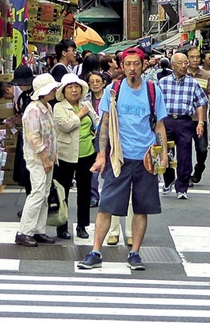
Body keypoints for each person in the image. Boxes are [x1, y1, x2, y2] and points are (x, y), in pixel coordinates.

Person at [79, 48, 168, 271]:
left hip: (145, 157)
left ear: (143, 65)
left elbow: (159, 125)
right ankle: (95, 251)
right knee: (106, 205)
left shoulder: (153, 91)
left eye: (136, 64)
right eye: (127, 64)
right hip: (117, 156)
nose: (132, 68)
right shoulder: (113, 90)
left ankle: (135, 252)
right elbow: (104, 125)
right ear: (122, 66)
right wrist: (101, 155)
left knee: (141, 208)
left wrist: (164, 153)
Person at [15, 74, 60, 247]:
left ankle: (38, 230)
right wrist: (45, 158)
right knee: (38, 193)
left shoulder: (45, 106)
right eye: (52, 88)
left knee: (44, 193)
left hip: (47, 157)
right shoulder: (33, 110)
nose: (55, 90)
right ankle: (24, 231)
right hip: (38, 158)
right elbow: (34, 138)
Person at [159, 51, 208, 198]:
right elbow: (156, 104)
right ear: (172, 65)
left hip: (185, 121)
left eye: (185, 62)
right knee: (165, 152)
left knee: (185, 156)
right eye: (180, 63)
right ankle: (168, 181)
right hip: (166, 120)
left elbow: (200, 103)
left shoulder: (193, 83)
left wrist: (200, 122)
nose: (184, 65)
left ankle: (182, 188)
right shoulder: (162, 82)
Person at [53, 73, 96, 239]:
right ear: (63, 91)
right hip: (65, 155)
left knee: (84, 192)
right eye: (70, 87)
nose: (73, 90)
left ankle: (82, 226)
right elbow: (65, 125)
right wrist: (80, 115)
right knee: (62, 191)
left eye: (76, 87)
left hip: (87, 153)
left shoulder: (86, 104)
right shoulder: (59, 107)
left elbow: (96, 120)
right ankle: (61, 226)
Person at [9, 66, 35, 198]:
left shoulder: (36, 96)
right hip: (25, 136)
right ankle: (29, 202)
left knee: (33, 174)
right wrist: (15, 120)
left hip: (35, 138)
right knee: (25, 173)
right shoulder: (23, 97)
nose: (20, 85)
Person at [190, 48, 210, 150]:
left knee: (202, 149)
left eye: (197, 57)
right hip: (185, 118)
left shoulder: (205, 76)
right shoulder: (183, 74)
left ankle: (200, 165)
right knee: (184, 148)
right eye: (192, 57)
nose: (195, 60)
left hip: (200, 117)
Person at [86, 71, 106, 207]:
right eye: (92, 82)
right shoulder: (84, 100)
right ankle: (93, 195)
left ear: (104, 83)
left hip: (106, 136)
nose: (95, 84)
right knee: (92, 168)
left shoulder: (111, 98)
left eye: (97, 81)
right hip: (91, 136)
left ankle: (109, 196)